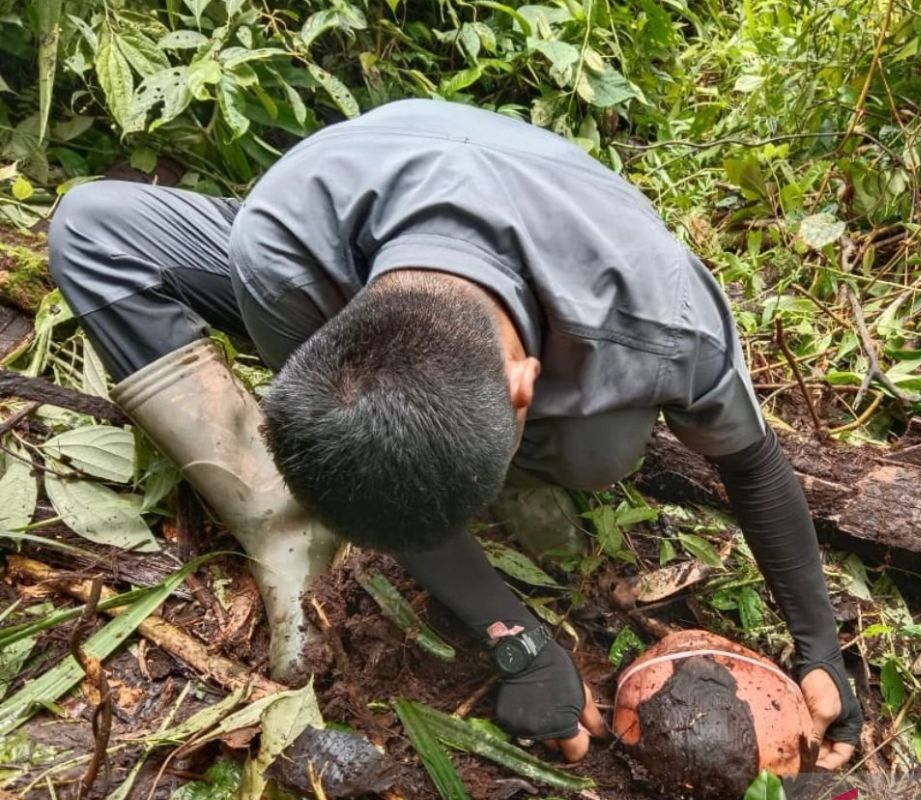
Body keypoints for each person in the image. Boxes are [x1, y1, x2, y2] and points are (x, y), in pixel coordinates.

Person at [48, 99, 862, 768]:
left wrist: (820, 647)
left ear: (524, 389)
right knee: (88, 225)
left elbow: (754, 466)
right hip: (349, 212)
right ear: (334, 332)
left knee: (600, 453)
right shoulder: (281, 255)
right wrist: (516, 639)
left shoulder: (664, 324)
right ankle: (280, 520)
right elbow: (376, 462)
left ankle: (511, 463)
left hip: (562, 251)